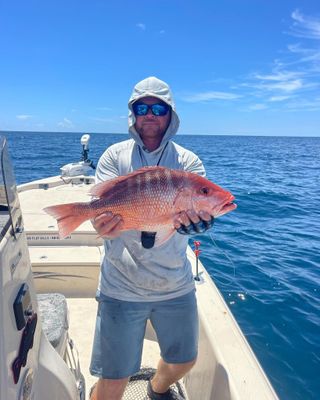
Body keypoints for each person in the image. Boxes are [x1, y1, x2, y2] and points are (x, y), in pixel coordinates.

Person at [89, 76, 214, 400]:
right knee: (113, 380)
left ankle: (156, 389)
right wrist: (102, 224)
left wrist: (197, 223)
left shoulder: (187, 162)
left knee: (184, 360)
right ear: (133, 114)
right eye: (141, 107)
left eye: (158, 107)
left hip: (175, 284)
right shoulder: (114, 157)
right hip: (121, 284)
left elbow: (201, 202)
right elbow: (101, 216)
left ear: (170, 115)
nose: (150, 113)